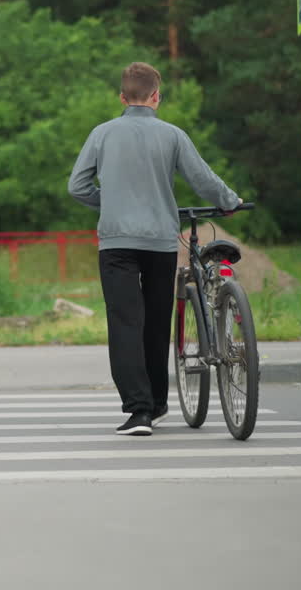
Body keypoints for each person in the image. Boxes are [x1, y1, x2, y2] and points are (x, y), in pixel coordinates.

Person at [68, 62, 240, 436]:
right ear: (156, 97)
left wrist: (110, 201)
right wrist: (229, 200)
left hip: (116, 243)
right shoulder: (173, 135)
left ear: (122, 97)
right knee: (158, 321)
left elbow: (77, 186)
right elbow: (202, 178)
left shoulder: (102, 133)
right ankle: (159, 402)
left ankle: (139, 411)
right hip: (161, 242)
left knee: (126, 322)